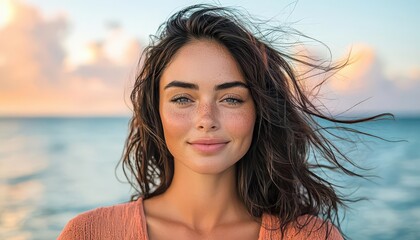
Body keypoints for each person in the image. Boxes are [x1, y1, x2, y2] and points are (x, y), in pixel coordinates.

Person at [58, 4, 389, 240]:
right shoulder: (89, 234)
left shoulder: (312, 237)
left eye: (231, 98)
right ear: (155, 112)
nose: (206, 120)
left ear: (259, 111)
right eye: (182, 98)